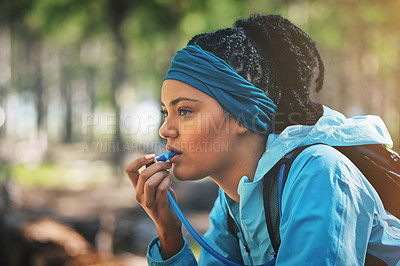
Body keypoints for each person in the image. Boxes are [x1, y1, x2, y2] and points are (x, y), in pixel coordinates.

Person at [125, 14, 400, 265]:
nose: (164, 130)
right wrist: (169, 234)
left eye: (184, 110)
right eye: (166, 112)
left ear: (245, 115)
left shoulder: (320, 173)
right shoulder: (233, 198)